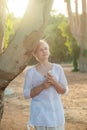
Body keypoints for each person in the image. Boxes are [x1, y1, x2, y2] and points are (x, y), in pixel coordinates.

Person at [23, 40, 69, 130]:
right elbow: (26, 94)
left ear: (49, 50)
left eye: (46, 48)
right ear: (35, 54)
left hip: (55, 113)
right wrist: (43, 86)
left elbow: (64, 91)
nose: (44, 51)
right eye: (41, 50)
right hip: (39, 115)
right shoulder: (31, 72)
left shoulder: (58, 69)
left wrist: (54, 83)